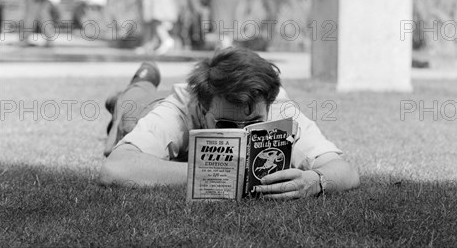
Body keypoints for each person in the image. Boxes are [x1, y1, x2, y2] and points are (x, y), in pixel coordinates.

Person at [99, 48, 360, 198]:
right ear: (202, 107)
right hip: (148, 106)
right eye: (226, 123)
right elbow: (116, 168)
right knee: (130, 117)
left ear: (268, 105)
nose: (242, 134)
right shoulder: (181, 108)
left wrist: (315, 180)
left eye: (253, 123)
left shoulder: (280, 110)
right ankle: (134, 87)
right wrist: (219, 175)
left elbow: (344, 170)